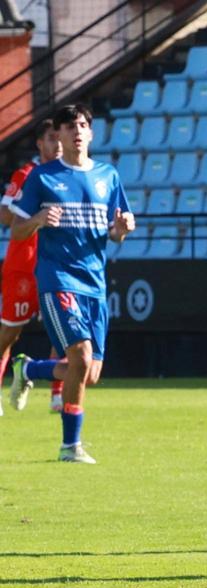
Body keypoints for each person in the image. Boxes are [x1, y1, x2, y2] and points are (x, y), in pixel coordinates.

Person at [8, 104, 134, 464]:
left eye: (82, 125)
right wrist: (37, 219)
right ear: (59, 136)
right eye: (68, 126)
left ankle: (27, 368)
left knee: (88, 373)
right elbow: (16, 230)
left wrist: (121, 231)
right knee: (78, 355)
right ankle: (69, 447)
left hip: (94, 284)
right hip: (58, 278)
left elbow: (115, 232)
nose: (76, 131)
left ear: (91, 133)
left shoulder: (108, 176)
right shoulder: (43, 177)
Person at [0, 119, 62, 416]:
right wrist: (33, 213)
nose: (58, 144)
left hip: (57, 265)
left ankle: (58, 396)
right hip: (23, 267)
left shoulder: (70, 177)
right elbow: (4, 215)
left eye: (60, 137)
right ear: (40, 143)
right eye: (52, 138)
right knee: (9, 334)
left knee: (64, 332)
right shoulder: (25, 174)